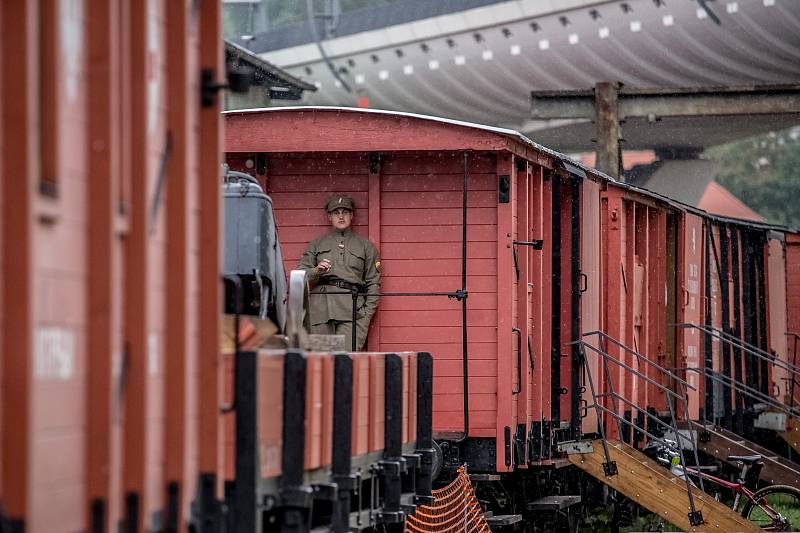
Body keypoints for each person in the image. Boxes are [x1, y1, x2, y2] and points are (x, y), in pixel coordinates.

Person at [298, 195, 381, 350]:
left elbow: (373, 282)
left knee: (347, 361)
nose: (341, 216)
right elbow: (300, 275)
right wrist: (317, 271)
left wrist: (366, 314)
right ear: (329, 216)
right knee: (321, 361)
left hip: (352, 309)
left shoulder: (366, 246)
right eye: (336, 212)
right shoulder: (317, 244)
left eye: (345, 212)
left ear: (352, 215)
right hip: (321, 310)